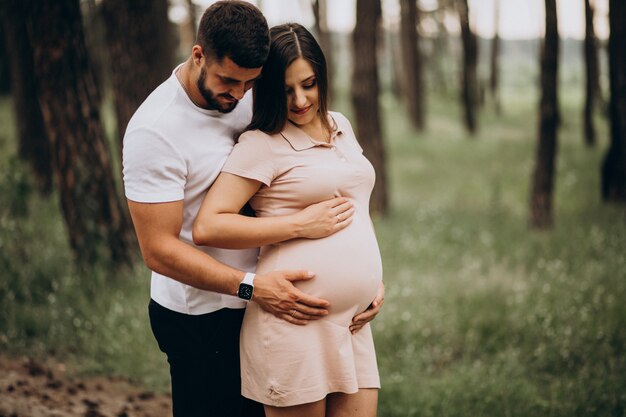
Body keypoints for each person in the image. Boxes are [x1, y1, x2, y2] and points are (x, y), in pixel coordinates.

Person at [122, 2, 370, 416]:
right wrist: (252, 284)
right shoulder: (155, 131)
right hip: (203, 316)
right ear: (198, 54)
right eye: (228, 81)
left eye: (249, 84)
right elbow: (158, 250)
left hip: (266, 305)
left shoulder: (249, 95)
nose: (238, 95)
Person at [193, 23, 385, 417]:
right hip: (294, 323)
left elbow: (355, 206)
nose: (299, 100)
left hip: (352, 324)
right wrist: (299, 225)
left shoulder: (341, 125)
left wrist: (373, 280)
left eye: (309, 84)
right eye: (285, 89)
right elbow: (209, 226)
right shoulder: (261, 145)